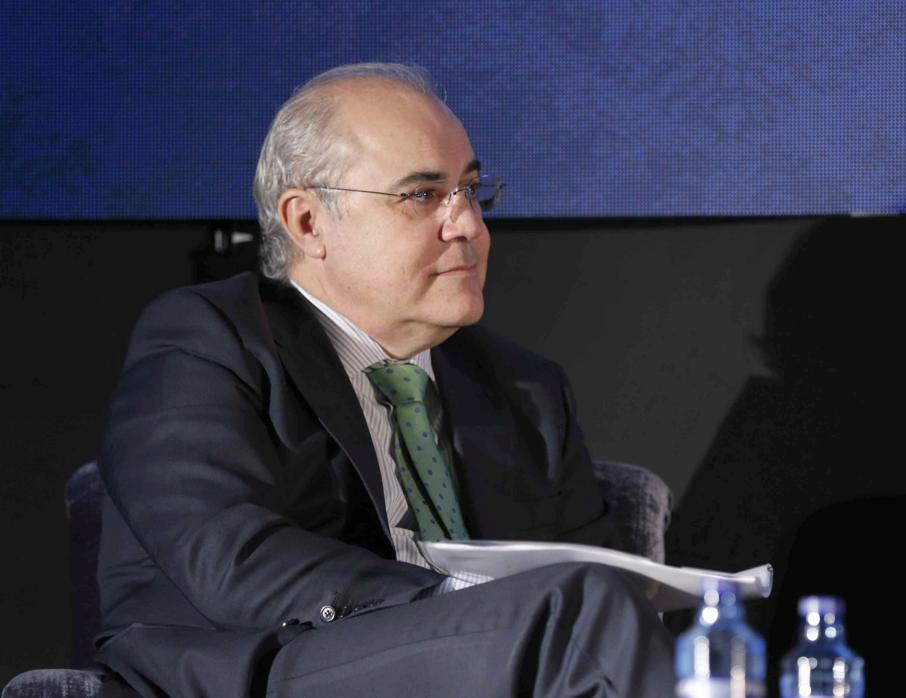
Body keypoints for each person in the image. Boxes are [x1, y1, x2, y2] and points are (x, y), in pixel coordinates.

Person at [93, 63, 674, 697]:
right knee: (584, 611)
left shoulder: (527, 391)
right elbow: (230, 557)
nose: (469, 226)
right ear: (308, 222)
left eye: (470, 190)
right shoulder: (206, 341)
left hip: (492, 665)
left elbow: (599, 587)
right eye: (422, 196)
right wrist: (453, 601)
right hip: (270, 668)